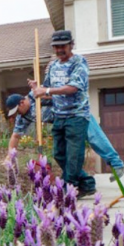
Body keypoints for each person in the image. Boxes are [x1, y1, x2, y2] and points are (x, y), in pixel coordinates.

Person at [30, 30, 97, 198]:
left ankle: (68, 189)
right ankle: (87, 184)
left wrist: (46, 90)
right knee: (59, 154)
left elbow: (73, 88)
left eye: (63, 46)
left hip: (76, 116)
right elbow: (47, 92)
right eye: (56, 47)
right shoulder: (52, 66)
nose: (59, 50)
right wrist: (37, 89)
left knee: (74, 156)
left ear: (71, 45)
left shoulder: (79, 62)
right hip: (58, 116)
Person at [4, 93, 124, 181]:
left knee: (94, 138)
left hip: (77, 112)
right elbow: (15, 136)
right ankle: (77, 179)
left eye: (17, 110)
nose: (17, 114)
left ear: (22, 102)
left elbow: (61, 94)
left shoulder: (37, 95)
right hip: (63, 124)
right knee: (60, 153)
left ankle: (117, 164)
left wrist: (45, 94)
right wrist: (10, 156)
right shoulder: (23, 116)